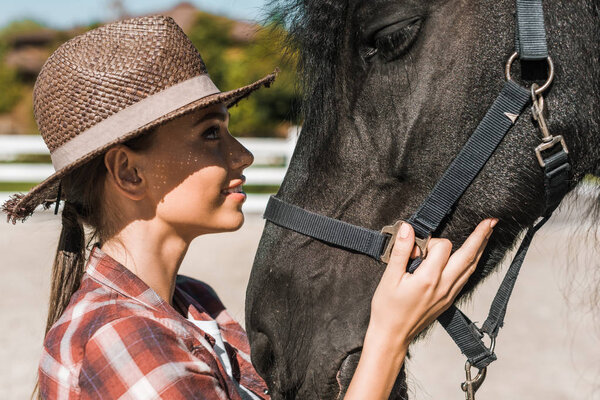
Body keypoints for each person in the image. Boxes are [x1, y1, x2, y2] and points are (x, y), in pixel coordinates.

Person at [2, 15, 496, 400]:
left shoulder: (191, 303)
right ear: (129, 172)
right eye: (211, 134)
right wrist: (389, 335)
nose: (243, 155)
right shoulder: (119, 339)